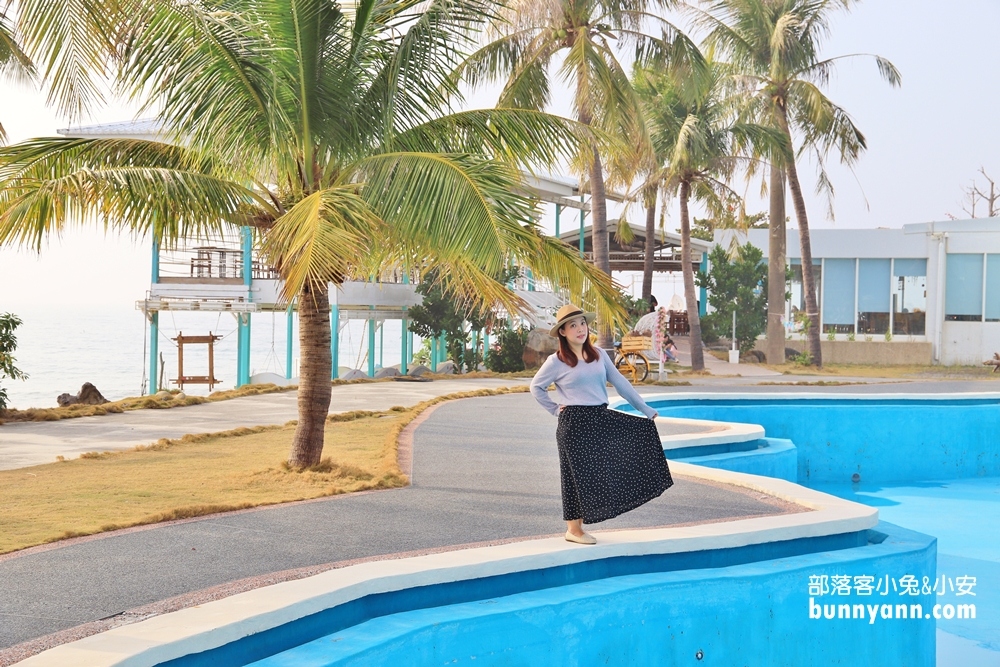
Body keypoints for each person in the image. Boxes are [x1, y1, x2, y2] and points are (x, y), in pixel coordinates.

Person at [530, 304, 674, 545]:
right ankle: (573, 530)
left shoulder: (598, 355)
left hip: (599, 418)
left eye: (582, 323)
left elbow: (621, 383)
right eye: (573, 325)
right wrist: (555, 409)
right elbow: (536, 387)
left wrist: (645, 409)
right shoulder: (556, 361)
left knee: (607, 467)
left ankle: (580, 526)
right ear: (563, 332)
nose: (580, 329)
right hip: (574, 424)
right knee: (574, 476)